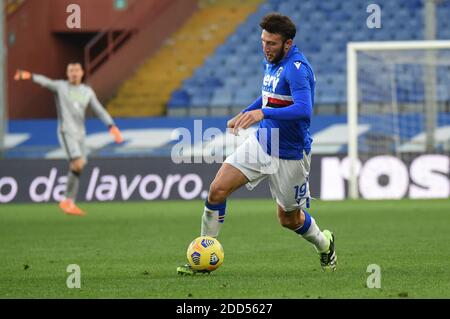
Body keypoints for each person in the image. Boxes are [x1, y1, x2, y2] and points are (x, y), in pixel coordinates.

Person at [177, 13, 336, 275]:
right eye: (263, 41)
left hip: (291, 153)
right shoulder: (271, 62)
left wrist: (263, 113)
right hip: (263, 142)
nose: (265, 48)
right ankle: (202, 260)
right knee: (217, 190)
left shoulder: (297, 69)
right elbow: (268, 97)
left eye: (271, 43)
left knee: (288, 219)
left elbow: (304, 110)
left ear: (287, 44)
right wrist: (246, 112)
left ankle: (324, 244)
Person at [14, 62, 124, 216]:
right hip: (66, 132)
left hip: (81, 134)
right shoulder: (61, 87)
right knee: (77, 163)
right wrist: (29, 75)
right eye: (70, 70)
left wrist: (112, 126)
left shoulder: (87, 91)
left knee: (79, 166)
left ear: (82, 72)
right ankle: (67, 200)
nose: (73, 73)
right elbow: (45, 81)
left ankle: (69, 201)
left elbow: (99, 110)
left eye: (76, 70)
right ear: (67, 73)